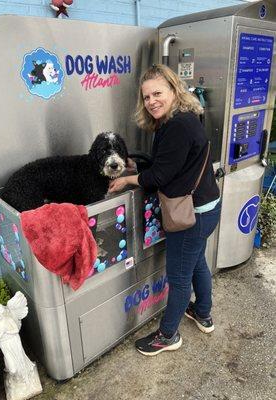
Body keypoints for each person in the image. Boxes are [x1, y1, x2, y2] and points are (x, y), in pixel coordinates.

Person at [109, 64, 221, 356]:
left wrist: (126, 179)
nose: (151, 101)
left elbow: (159, 177)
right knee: (196, 263)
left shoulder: (177, 126)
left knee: (180, 277)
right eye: (146, 97)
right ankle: (203, 314)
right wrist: (140, 164)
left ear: (173, 90)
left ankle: (168, 335)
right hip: (207, 207)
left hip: (189, 216)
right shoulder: (184, 117)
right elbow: (171, 164)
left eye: (157, 93)